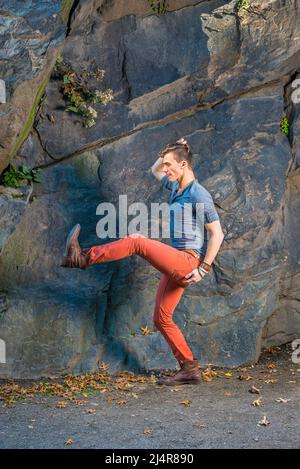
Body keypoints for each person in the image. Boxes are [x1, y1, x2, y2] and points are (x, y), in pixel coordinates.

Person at [61, 138, 224, 385]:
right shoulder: (176, 188)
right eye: (166, 164)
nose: (165, 169)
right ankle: (189, 369)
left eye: (170, 164)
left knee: (136, 241)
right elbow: (155, 170)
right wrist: (170, 146)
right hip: (177, 259)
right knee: (161, 319)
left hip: (188, 261)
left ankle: (83, 258)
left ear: (183, 164)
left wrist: (203, 268)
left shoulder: (198, 194)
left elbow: (217, 234)